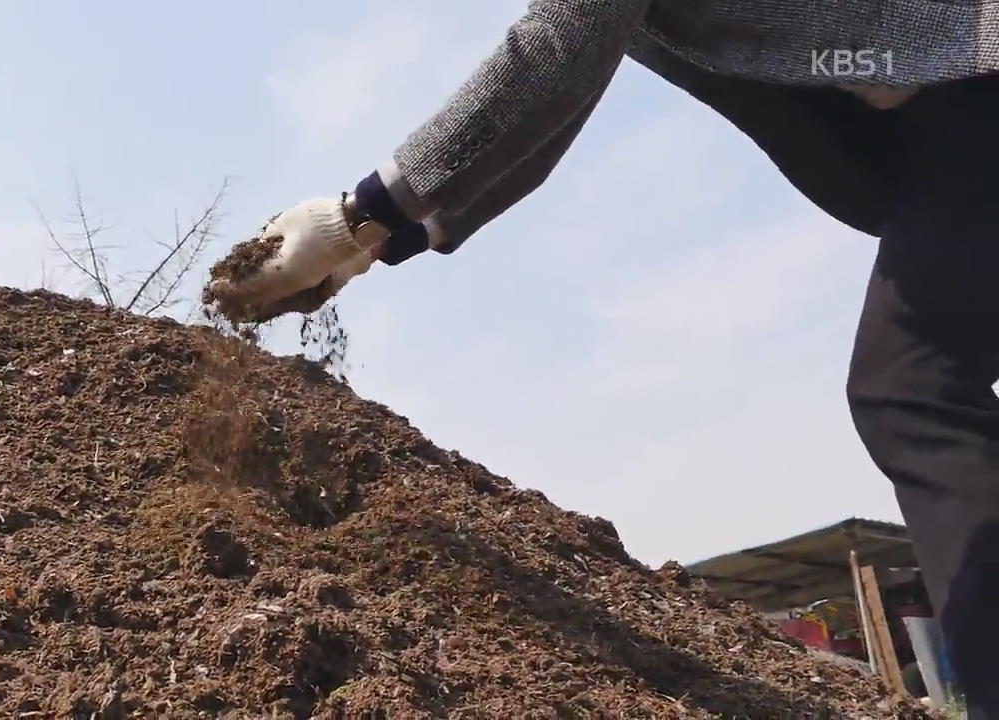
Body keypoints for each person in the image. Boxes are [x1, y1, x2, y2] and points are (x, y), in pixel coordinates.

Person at [205, 2, 999, 712]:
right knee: (917, 389)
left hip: (975, 99)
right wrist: (387, 241)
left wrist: (361, 212)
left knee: (915, 391)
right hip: (944, 137)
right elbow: (562, 100)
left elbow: (555, 48)